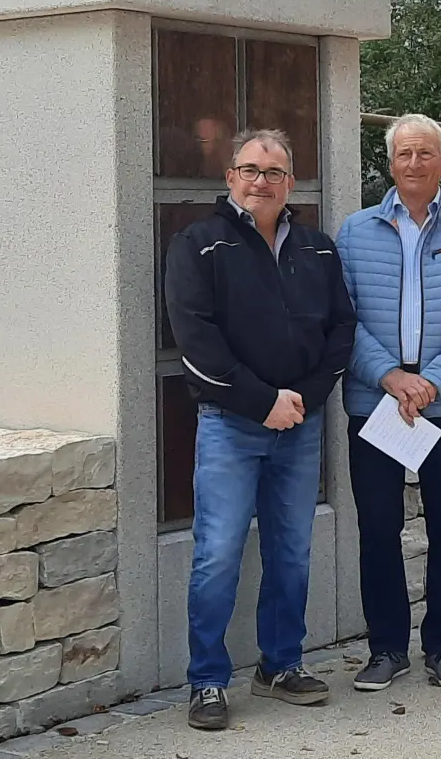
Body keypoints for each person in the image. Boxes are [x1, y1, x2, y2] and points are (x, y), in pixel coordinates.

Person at [164, 128, 357, 730]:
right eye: (250, 170)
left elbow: (341, 332)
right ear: (230, 179)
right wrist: (261, 402)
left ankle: (281, 664)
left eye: (274, 172)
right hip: (230, 425)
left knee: (292, 552)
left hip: (300, 424)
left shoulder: (318, 249)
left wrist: (305, 399)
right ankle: (207, 681)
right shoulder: (197, 244)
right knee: (218, 553)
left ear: (289, 182)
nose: (261, 182)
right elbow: (194, 343)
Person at [336, 113, 441, 692]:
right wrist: (388, 376)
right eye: (404, 154)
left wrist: (430, 383)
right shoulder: (354, 231)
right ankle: (386, 649)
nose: (414, 164)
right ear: (390, 163)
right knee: (378, 527)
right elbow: (343, 319)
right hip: (376, 400)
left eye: (425, 154)